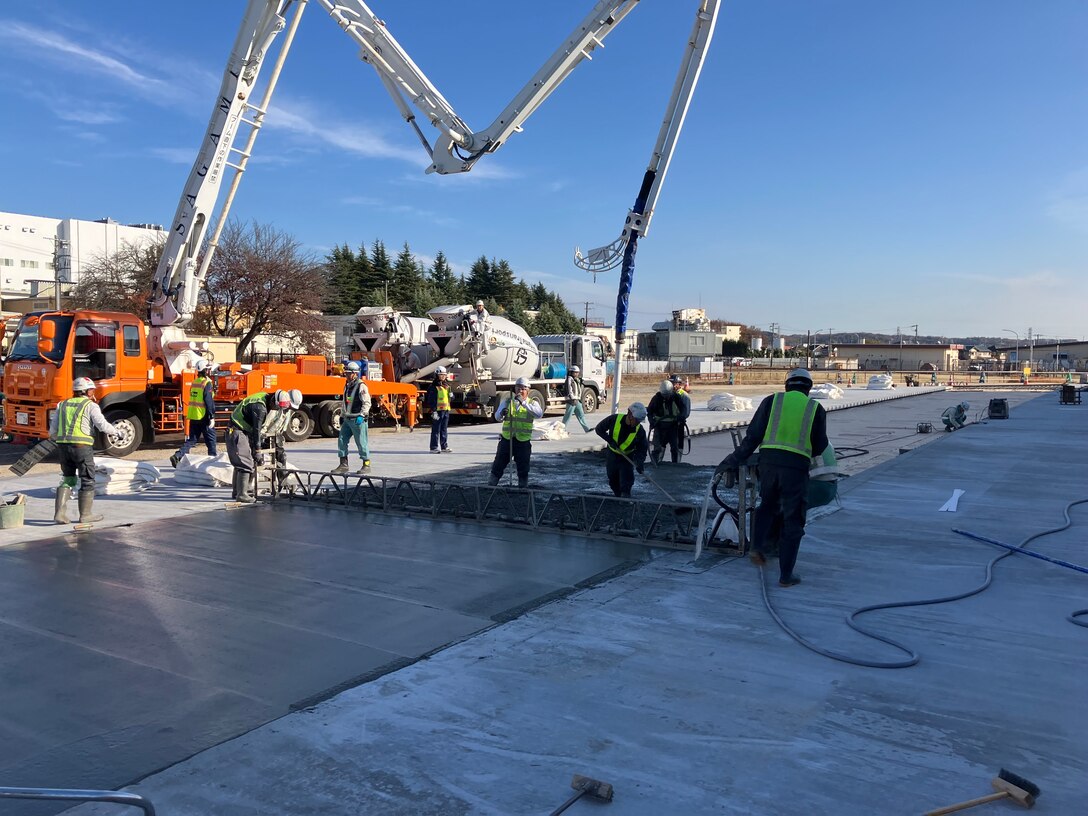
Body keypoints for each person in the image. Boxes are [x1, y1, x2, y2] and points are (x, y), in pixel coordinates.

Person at [714, 368, 828, 588]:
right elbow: (821, 445)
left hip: (768, 464)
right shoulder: (816, 408)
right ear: (808, 388)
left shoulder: (771, 401)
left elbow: (752, 437)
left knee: (767, 506)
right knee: (793, 519)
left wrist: (733, 460)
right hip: (795, 468)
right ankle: (786, 576)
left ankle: (757, 547)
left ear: (787, 385)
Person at [50, 377, 121, 524]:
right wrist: (116, 432)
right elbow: (102, 425)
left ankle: (59, 514)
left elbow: (53, 430)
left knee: (68, 478)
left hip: (63, 447)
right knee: (87, 480)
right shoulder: (90, 406)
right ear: (87, 391)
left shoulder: (61, 405)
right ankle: (85, 515)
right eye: (92, 389)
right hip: (82, 447)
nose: (93, 392)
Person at [226, 389, 295, 503]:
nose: (276, 410)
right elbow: (257, 430)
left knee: (241, 463)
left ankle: (238, 492)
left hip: (241, 429)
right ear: (274, 401)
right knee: (246, 463)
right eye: (276, 407)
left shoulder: (265, 399)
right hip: (237, 430)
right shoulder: (260, 408)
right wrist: (257, 450)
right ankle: (242, 494)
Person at [488, 377, 543, 488]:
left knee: (523, 465)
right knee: (499, 463)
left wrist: (524, 404)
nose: (520, 391)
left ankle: (522, 486)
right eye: (518, 388)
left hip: (523, 440)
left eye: (523, 389)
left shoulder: (532, 403)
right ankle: (491, 485)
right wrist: (502, 413)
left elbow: (539, 414)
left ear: (528, 390)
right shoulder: (508, 402)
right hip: (507, 439)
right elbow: (497, 417)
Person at [594, 402, 649, 498]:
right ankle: (617, 495)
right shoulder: (614, 419)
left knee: (626, 479)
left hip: (627, 457)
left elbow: (642, 448)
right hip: (612, 454)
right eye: (636, 420)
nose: (637, 423)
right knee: (612, 478)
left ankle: (625, 497)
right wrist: (610, 440)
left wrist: (639, 462)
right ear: (630, 414)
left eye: (639, 421)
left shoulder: (639, 431)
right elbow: (599, 429)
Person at [171, 358, 217, 467]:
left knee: (192, 440)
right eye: (208, 369)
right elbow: (208, 401)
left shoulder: (195, 382)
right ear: (205, 370)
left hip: (193, 415)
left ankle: (178, 455)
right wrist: (211, 416)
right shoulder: (207, 383)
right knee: (211, 441)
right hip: (204, 416)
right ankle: (213, 462)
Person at [333, 360, 372, 473]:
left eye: (349, 373)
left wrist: (362, 415)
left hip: (358, 420)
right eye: (346, 373)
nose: (347, 375)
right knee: (342, 440)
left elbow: (367, 403)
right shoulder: (347, 386)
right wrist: (342, 415)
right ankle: (343, 464)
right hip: (347, 419)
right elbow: (345, 402)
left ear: (355, 373)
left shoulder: (361, 386)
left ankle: (366, 464)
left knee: (361, 442)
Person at [648, 380, 681, 464]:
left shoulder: (676, 397)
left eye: (667, 395)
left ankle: (675, 464)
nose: (666, 397)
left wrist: (681, 417)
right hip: (659, 426)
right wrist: (652, 422)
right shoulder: (656, 399)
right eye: (664, 395)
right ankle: (655, 463)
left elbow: (683, 408)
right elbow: (649, 411)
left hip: (672, 426)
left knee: (674, 447)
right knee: (657, 447)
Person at [424, 365, 453, 452]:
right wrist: (434, 411)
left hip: (446, 410)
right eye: (441, 375)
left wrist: (452, 395)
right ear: (437, 375)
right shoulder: (433, 387)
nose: (443, 376)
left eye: (444, 375)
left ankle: (444, 446)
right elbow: (430, 400)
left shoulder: (446, 386)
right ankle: (433, 447)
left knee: (444, 429)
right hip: (437, 411)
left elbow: (449, 398)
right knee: (436, 430)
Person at [561, 365, 592, 433]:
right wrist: (572, 398)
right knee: (568, 415)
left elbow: (578, 390)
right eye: (575, 372)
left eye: (577, 372)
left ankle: (586, 429)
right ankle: (561, 429)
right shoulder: (569, 379)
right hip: (571, 400)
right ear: (571, 372)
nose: (576, 374)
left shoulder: (576, 380)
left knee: (581, 415)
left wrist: (578, 398)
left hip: (577, 400)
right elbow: (569, 389)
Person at [670, 374, 692, 460]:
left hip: (678, 424)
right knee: (663, 443)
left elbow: (686, 412)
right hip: (667, 423)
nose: (672, 385)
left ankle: (677, 462)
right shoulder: (668, 394)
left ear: (679, 384)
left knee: (678, 444)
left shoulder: (684, 396)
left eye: (674, 383)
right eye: (671, 383)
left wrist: (679, 419)